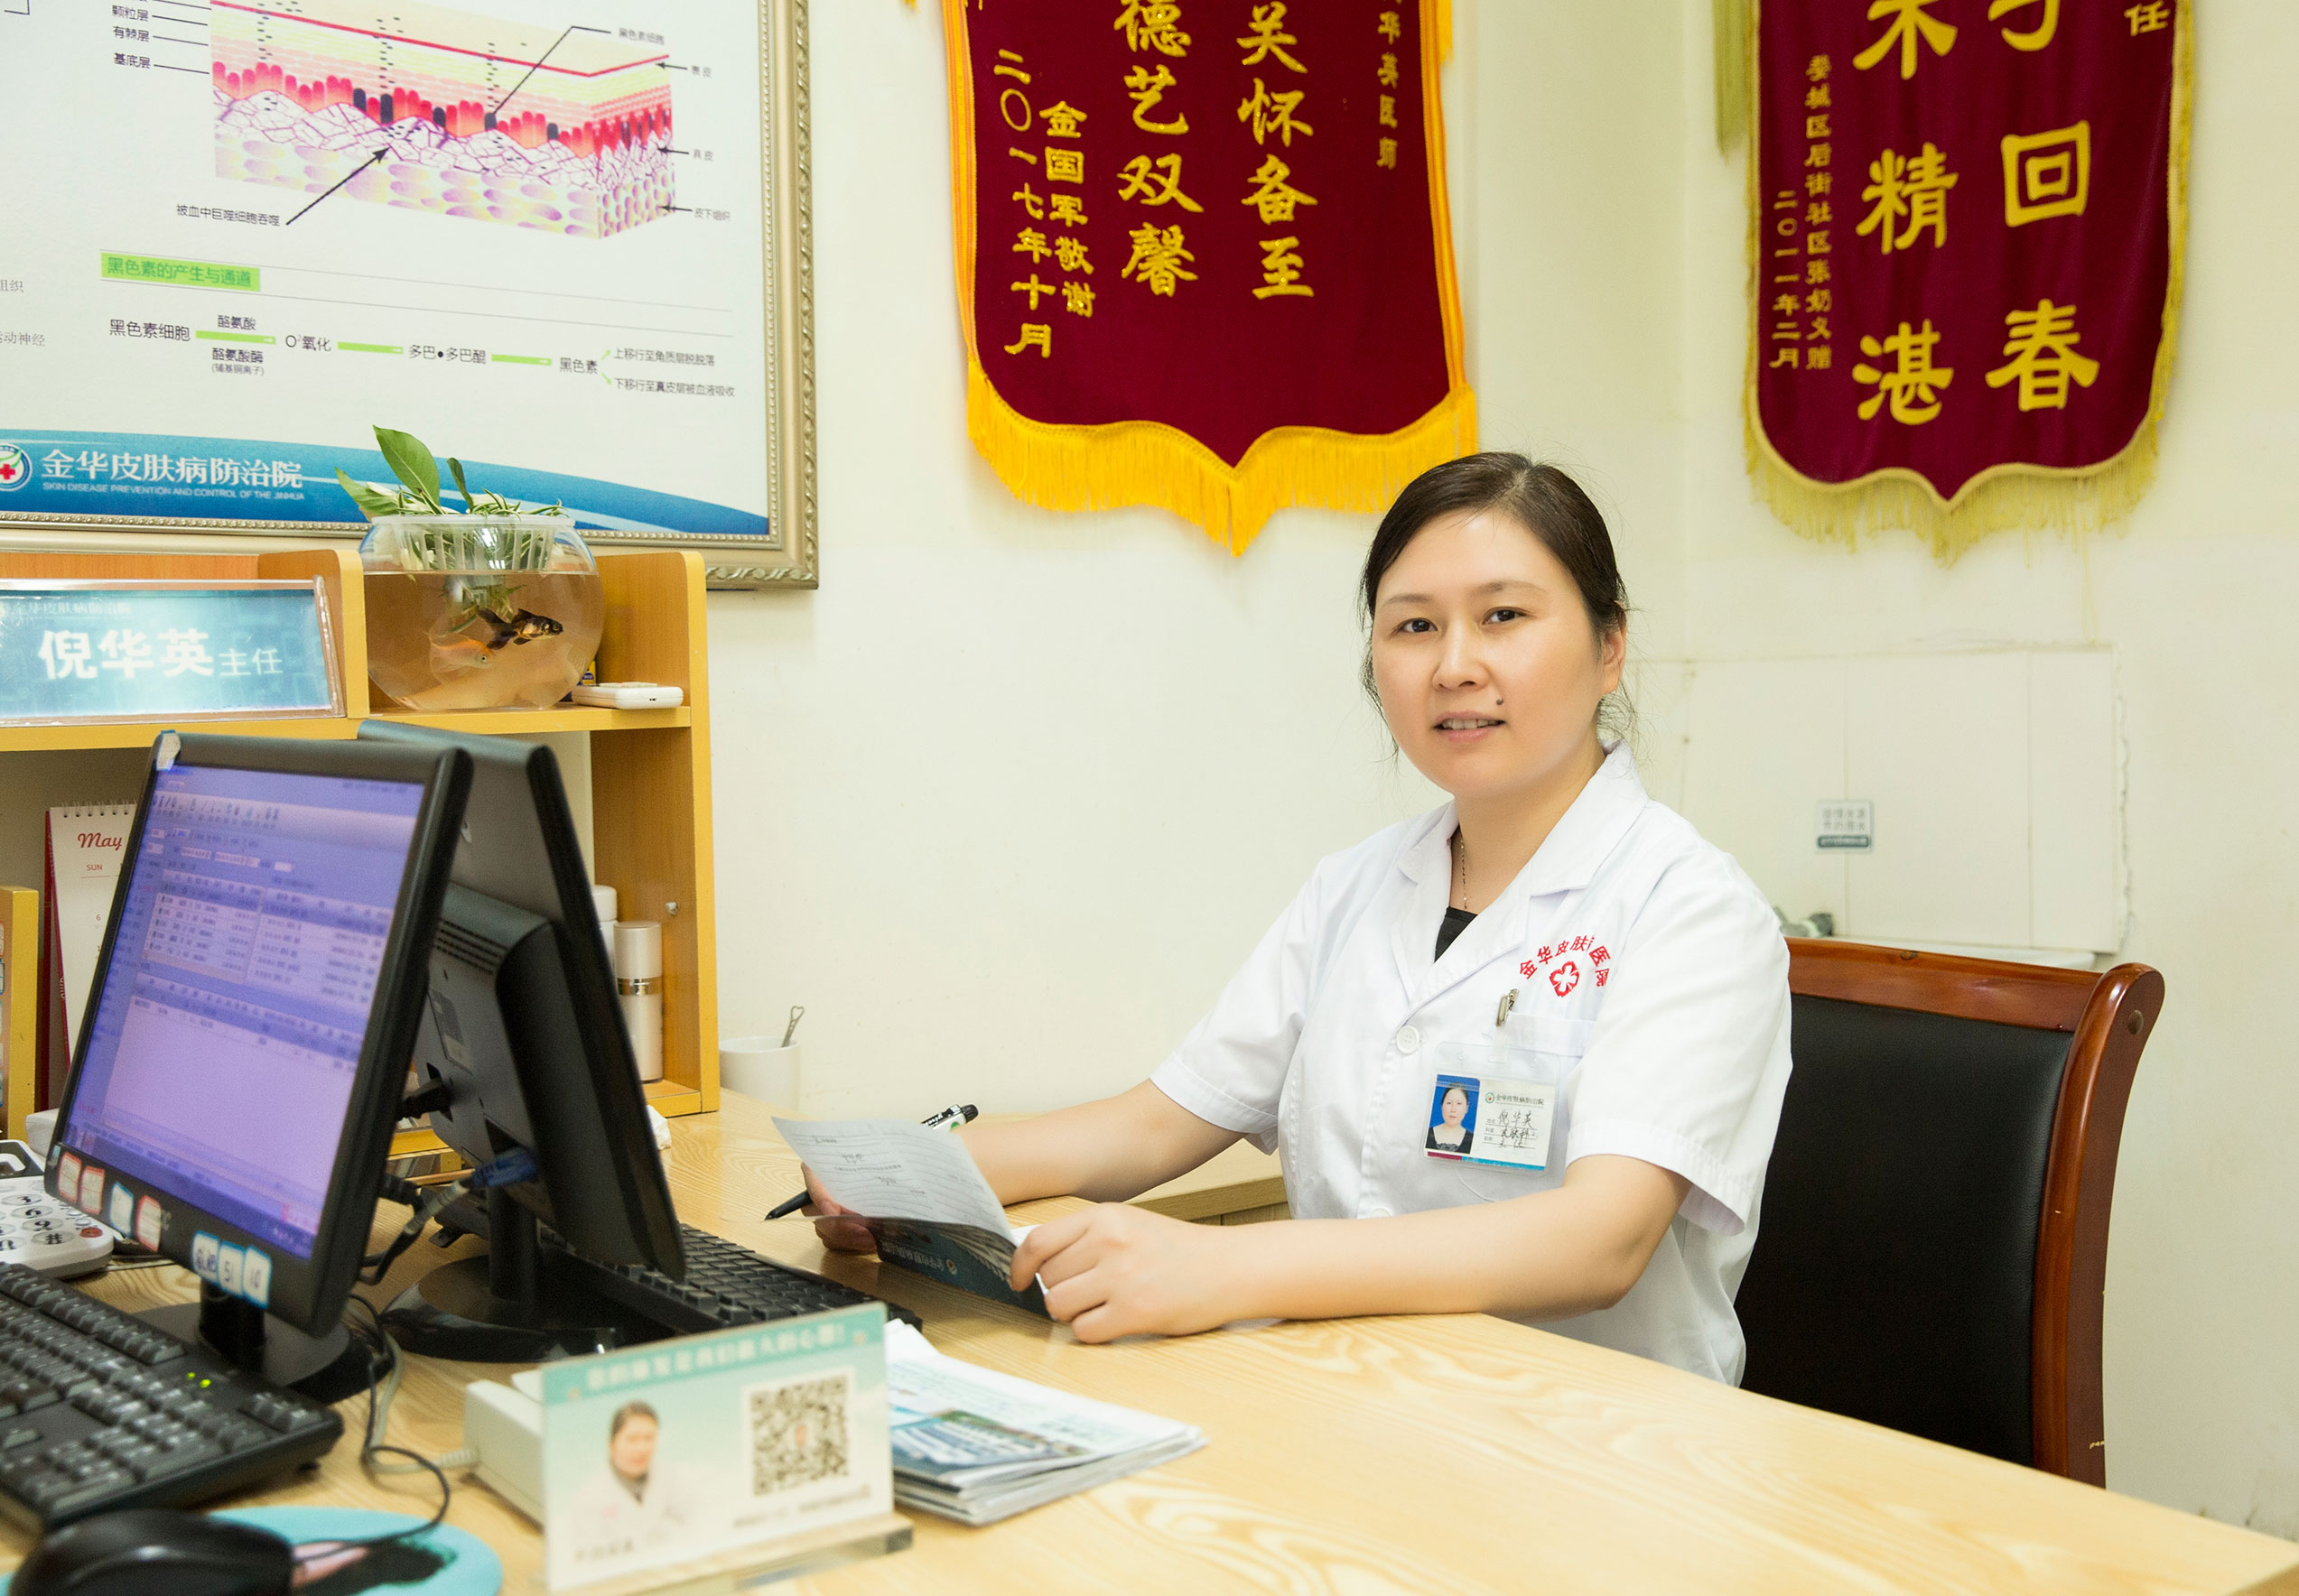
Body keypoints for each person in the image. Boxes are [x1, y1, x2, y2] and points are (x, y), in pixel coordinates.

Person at [808, 453, 1791, 1384]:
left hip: (1592, 1438)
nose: (1454, 664)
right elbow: (1157, 1124)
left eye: (1503, 616)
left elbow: (1598, 1241)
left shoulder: (1690, 909)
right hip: (1348, 1396)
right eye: (1414, 626)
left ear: (1610, 647)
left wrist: (1223, 1267)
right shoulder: (1355, 887)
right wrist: (910, 1174)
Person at [563, 1400, 693, 1564]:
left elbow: (695, 1521)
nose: (641, 1448)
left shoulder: (669, 1476)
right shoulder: (590, 1495)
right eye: (632, 1439)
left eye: (649, 1438)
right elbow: (585, 1554)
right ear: (612, 1444)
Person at [1425, 1084, 1475, 1155]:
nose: (1453, 1109)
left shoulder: (1473, 1141)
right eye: (1449, 1103)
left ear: (1466, 1108)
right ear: (1442, 1105)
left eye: (1459, 1103)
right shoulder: (1426, 1135)